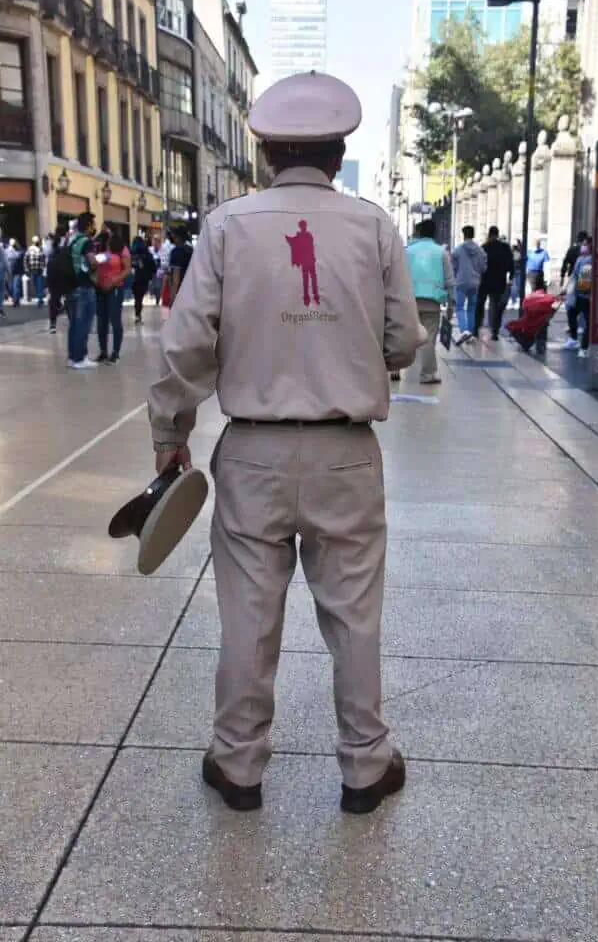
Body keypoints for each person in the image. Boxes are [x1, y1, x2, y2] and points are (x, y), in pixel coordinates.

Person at [147, 70, 425, 815]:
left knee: (247, 614)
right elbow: (404, 337)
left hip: (252, 451)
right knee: (353, 614)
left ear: (265, 152)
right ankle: (365, 766)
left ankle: (238, 766)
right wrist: (352, 356)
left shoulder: (229, 225)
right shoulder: (372, 225)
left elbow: (185, 348)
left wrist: (169, 435)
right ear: (338, 154)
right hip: (345, 451)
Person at [403, 217, 454, 384]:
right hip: (432, 300)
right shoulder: (441, 252)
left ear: (418, 232)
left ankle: (396, 369)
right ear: (435, 233)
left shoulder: (407, 251)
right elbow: (449, 280)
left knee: (407, 334)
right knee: (428, 338)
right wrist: (451, 303)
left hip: (409, 299)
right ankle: (427, 374)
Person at [95, 224, 131, 363]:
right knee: (101, 321)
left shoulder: (121, 248)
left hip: (115, 288)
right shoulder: (99, 245)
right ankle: (103, 351)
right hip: (100, 289)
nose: (104, 230)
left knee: (115, 320)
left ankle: (115, 352)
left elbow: (127, 269)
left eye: (106, 228)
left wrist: (115, 280)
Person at [68, 211, 99, 369]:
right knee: (84, 323)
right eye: (93, 224)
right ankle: (80, 358)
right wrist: (98, 263)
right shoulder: (86, 241)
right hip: (85, 286)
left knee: (74, 323)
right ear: (88, 225)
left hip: (71, 285)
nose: (95, 227)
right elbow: (92, 262)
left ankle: (72, 357)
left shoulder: (71, 239)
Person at [475, 225, 514, 340]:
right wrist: (510, 275)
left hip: (485, 280)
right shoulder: (505, 248)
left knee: (480, 305)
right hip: (499, 280)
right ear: (497, 234)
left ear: (489, 234)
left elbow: (479, 265)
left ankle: (476, 328)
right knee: (496, 306)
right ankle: (495, 331)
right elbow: (510, 264)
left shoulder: (484, 247)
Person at [451, 224, 486, 343]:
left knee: (459, 307)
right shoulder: (480, 250)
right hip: (475, 282)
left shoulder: (458, 250)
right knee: (472, 308)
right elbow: (483, 268)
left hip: (461, 282)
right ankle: (470, 333)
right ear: (473, 235)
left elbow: (453, 267)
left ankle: (464, 331)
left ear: (464, 235)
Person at [521, 272, 558, 354]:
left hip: (531, 322)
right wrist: (549, 315)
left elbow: (524, 308)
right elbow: (554, 306)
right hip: (543, 321)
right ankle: (541, 346)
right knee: (543, 328)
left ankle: (527, 344)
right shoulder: (548, 298)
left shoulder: (529, 297)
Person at [571, 237, 593, 358]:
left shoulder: (582, 259)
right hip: (587, 296)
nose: (583, 246)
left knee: (587, 321)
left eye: (585, 244)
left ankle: (583, 346)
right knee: (590, 322)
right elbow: (584, 283)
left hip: (581, 296)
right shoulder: (588, 260)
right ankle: (584, 347)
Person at [46, 225, 69, 333]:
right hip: (65, 270)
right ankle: (71, 320)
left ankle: (52, 324)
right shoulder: (68, 241)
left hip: (52, 271)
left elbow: (47, 254)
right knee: (69, 296)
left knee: (54, 298)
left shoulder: (51, 242)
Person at [130, 231, 156, 324]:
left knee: (137, 297)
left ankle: (137, 314)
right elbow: (153, 266)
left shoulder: (131, 253)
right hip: (144, 279)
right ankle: (138, 315)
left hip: (133, 278)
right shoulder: (147, 253)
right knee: (139, 298)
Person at [165, 225, 193, 307]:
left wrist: (172, 297)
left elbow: (176, 277)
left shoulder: (176, 252)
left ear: (178, 237)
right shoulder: (190, 250)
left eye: (173, 235)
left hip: (179, 291)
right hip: (191, 289)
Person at [24, 236, 46, 308]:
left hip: (31, 269)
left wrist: (26, 268)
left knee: (32, 283)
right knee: (39, 284)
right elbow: (43, 259)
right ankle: (40, 299)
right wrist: (43, 267)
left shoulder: (29, 249)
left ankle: (30, 297)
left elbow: (25, 259)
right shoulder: (40, 249)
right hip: (39, 269)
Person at [7, 239, 23, 306]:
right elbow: (18, 256)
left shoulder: (7, 250)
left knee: (12, 285)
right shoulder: (17, 251)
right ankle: (16, 300)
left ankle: (14, 299)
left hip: (11, 270)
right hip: (16, 270)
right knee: (15, 285)